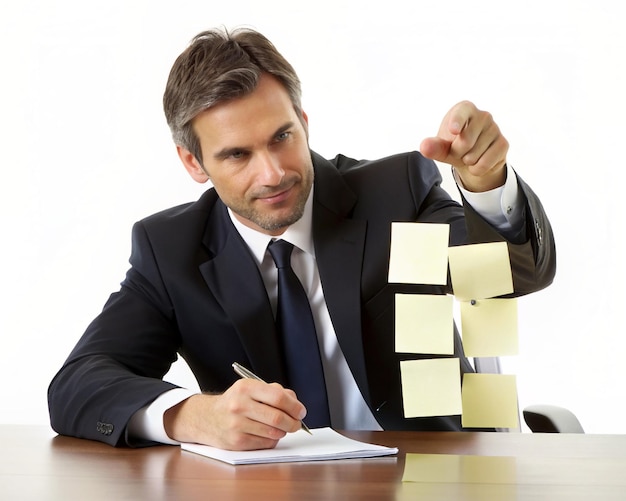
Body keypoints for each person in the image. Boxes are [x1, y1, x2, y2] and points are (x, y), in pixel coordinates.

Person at [48, 27, 555, 450]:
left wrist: (486, 184)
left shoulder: (394, 196)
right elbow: (78, 384)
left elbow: (503, 278)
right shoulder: (171, 250)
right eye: (237, 155)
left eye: (281, 137)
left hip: (425, 477)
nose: (272, 174)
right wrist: (193, 415)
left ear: (304, 124)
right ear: (193, 162)